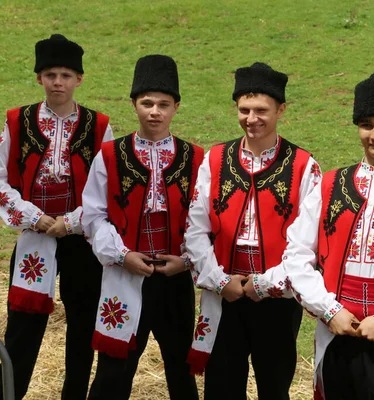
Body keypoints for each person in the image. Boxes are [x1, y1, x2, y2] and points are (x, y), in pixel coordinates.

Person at [244, 70, 374, 400]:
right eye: (366, 124)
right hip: (335, 336)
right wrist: (329, 310)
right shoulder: (329, 186)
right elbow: (297, 256)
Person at [184, 62, 322, 399]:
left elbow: (310, 241)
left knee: (274, 387)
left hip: (275, 299)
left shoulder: (304, 166)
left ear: (281, 110)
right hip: (224, 291)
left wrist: (265, 284)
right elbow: (195, 228)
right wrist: (219, 280)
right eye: (244, 110)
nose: (251, 118)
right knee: (221, 386)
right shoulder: (216, 159)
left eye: (261, 110)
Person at [82, 54, 202, 400]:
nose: (155, 111)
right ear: (133, 103)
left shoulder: (196, 158)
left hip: (174, 276)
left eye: (164, 104)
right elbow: (93, 217)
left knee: (181, 366)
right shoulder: (109, 155)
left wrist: (186, 261)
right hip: (125, 274)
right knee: (113, 368)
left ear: (176, 107)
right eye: (147, 102)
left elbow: (203, 221)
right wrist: (121, 256)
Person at [0, 33, 112, 400]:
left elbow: (106, 187)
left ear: (79, 79)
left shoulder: (98, 126)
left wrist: (73, 221)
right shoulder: (17, 121)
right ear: (39, 79)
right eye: (50, 75)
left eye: (66, 75)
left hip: (79, 237)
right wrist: (32, 217)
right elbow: (0, 177)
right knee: (22, 324)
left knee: (82, 326)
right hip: (35, 233)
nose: (58, 82)